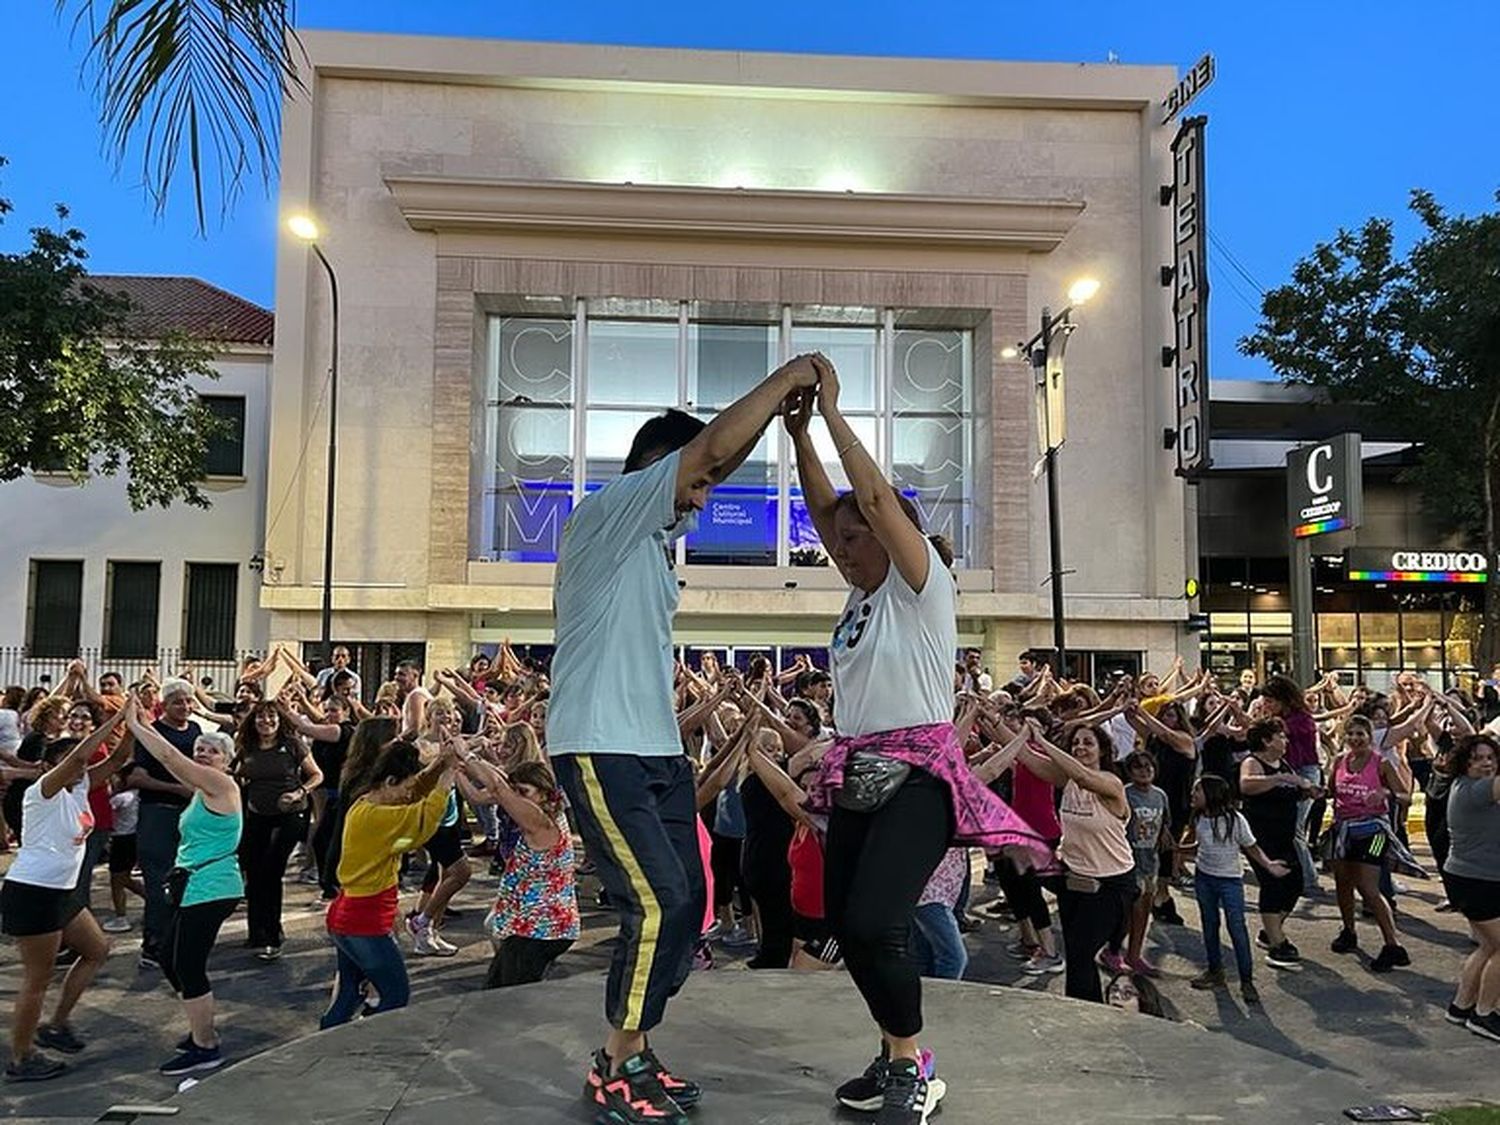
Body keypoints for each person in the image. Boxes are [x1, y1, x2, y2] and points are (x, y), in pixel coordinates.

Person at [548, 352, 821, 1125]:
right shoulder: (607, 515)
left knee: (693, 899)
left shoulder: (651, 550)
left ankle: (637, 1049)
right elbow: (706, 452)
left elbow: (712, 457)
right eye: (695, 486)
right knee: (659, 899)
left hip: (656, 747)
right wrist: (786, 379)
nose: (701, 502)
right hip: (599, 743)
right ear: (655, 469)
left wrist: (778, 421)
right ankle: (613, 1060)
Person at [788, 360, 1048, 1125]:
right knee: (845, 921)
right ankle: (890, 1050)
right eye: (835, 540)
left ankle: (913, 1064)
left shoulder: (921, 581)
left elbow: (867, 495)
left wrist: (833, 414)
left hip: (920, 777)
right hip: (858, 767)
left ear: (889, 530)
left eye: (853, 536)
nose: (839, 545)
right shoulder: (859, 595)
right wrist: (799, 435)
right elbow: (825, 502)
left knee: (876, 921)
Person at [1, 705, 131, 1083]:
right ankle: (22, 1057)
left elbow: (121, 756)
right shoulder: (41, 793)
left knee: (97, 950)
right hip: (33, 892)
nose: (81, 770)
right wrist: (116, 715)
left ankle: (56, 1025)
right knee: (37, 980)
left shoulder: (81, 789)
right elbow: (78, 755)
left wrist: (134, 723)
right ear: (49, 768)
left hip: (63, 892)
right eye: (72, 765)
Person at [124, 703, 242, 1076]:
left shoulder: (221, 784)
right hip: (193, 886)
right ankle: (201, 1026)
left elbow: (169, 756)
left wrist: (136, 726)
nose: (204, 753)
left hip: (211, 887)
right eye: (201, 749)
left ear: (227, 761)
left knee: (188, 965)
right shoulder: (200, 789)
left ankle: (206, 1045)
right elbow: (172, 758)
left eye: (213, 750)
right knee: (167, 957)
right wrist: (145, 725)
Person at [321, 738, 457, 1028]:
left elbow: (416, 788)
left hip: (348, 918)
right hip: (362, 921)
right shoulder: (377, 818)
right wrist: (449, 774)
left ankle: (328, 1049)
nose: (409, 793)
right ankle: (370, 1048)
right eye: (404, 787)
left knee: (348, 996)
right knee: (395, 996)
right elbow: (424, 819)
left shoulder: (367, 801)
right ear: (390, 780)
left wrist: (441, 762)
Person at [1021, 723, 1136, 1005]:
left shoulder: (1110, 783)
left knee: (1082, 952)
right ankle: (1080, 1007)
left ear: (1103, 750)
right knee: (1076, 952)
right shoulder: (1068, 781)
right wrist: (990, 718)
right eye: (1076, 744)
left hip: (1111, 884)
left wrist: (1043, 740)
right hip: (1075, 878)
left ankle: (1090, 1011)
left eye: (1088, 743)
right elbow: (1025, 756)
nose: (1080, 748)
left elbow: (1084, 776)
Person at [1186, 775, 1290, 1004]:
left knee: (1237, 928)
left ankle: (1246, 980)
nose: (1193, 795)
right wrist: (1177, 849)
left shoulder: (1235, 820)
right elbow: (1198, 843)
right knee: (1209, 925)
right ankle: (1215, 970)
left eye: (1198, 791)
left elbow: (1251, 847)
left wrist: (1269, 865)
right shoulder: (1199, 817)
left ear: (1212, 795)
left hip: (1229, 881)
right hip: (1204, 878)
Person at [233, 700, 323, 961]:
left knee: (272, 872)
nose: (266, 721)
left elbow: (316, 775)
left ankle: (271, 938)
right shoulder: (246, 746)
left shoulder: (293, 745)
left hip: (290, 815)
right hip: (257, 815)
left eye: (271, 716)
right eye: (260, 717)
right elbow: (235, 772)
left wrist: (299, 792)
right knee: (254, 870)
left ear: (279, 719)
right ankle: (256, 932)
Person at [481, 759, 580, 988]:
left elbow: (498, 787)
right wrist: (457, 767)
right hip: (532, 925)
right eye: (515, 791)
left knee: (507, 998)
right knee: (498, 991)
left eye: (523, 792)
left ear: (544, 793)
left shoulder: (541, 823)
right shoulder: (550, 816)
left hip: (540, 928)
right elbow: (490, 790)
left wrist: (467, 756)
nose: (517, 798)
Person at [1328, 715, 1415, 972]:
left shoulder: (1382, 763)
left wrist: (1386, 792)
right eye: (1351, 734)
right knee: (1342, 882)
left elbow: (1406, 797)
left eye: (1361, 734)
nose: (1355, 739)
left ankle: (1392, 944)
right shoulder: (1339, 762)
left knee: (1368, 886)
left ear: (1369, 737)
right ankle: (1348, 931)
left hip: (1374, 832)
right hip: (1343, 830)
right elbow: (1331, 791)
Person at [126, 678, 202, 970]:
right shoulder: (152, 734)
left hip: (191, 818)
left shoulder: (195, 731)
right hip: (158, 813)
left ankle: (177, 939)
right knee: (158, 881)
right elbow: (136, 777)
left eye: (188, 701)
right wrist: (177, 789)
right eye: (177, 701)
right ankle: (154, 944)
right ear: (164, 705)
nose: (184, 706)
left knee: (185, 881)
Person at [1239, 718, 1316, 969]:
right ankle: (1277, 944)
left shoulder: (1282, 763)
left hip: (1284, 836)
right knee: (1273, 884)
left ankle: (1270, 930)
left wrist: (1308, 790)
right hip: (1262, 837)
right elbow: (1246, 785)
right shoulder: (1253, 762)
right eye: (1280, 736)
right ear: (1266, 740)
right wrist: (1283, 779)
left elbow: (1291, 789)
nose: (1285, 741)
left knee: (1295, 884)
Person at [1441, 733, 1500, 1041]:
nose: (1486, 763)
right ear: (1465, 764)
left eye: (1490, 757)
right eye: (1477, 758)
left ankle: (1461, 1006)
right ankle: (1484, 1014)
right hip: (1477, 882)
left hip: (1471, 879)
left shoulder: (1468, 787)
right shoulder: (1476, 790)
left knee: (1490, 946)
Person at [405, 699, 471, 957]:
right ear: (429, 716)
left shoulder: (453, 741)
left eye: (448, 712)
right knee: (460, 871)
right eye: (439, 712)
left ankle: (432, 930)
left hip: (451, 810)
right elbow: (425, 774)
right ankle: (422, 921)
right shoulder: (420, 745)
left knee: (446, 875)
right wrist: (446, 756)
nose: (445, 717)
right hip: (432, 815)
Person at [1259, 675, 1324, 895]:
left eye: (1271, 701)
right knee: (1287, 827)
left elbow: (1280, 732)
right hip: (1288, 773)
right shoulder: (1281, 719)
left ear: (1283, 699)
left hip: (1305, 772)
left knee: (1295, 828)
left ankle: (1308, 879)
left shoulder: (1301, 719)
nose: (1267, 706)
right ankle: (1297, 874)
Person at [1121, 750, 1169, 975]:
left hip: (1151, 860)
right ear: (1130, 772)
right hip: (1128, 860)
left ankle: (1134, 955)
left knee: (1144, 911)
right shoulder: (1124, 794)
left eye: (1148, 766)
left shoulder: (1160, 795)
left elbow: (1164, 826)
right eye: (1138, 767)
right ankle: (1114, 950)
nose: (1144, 770)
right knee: (1128, 911)